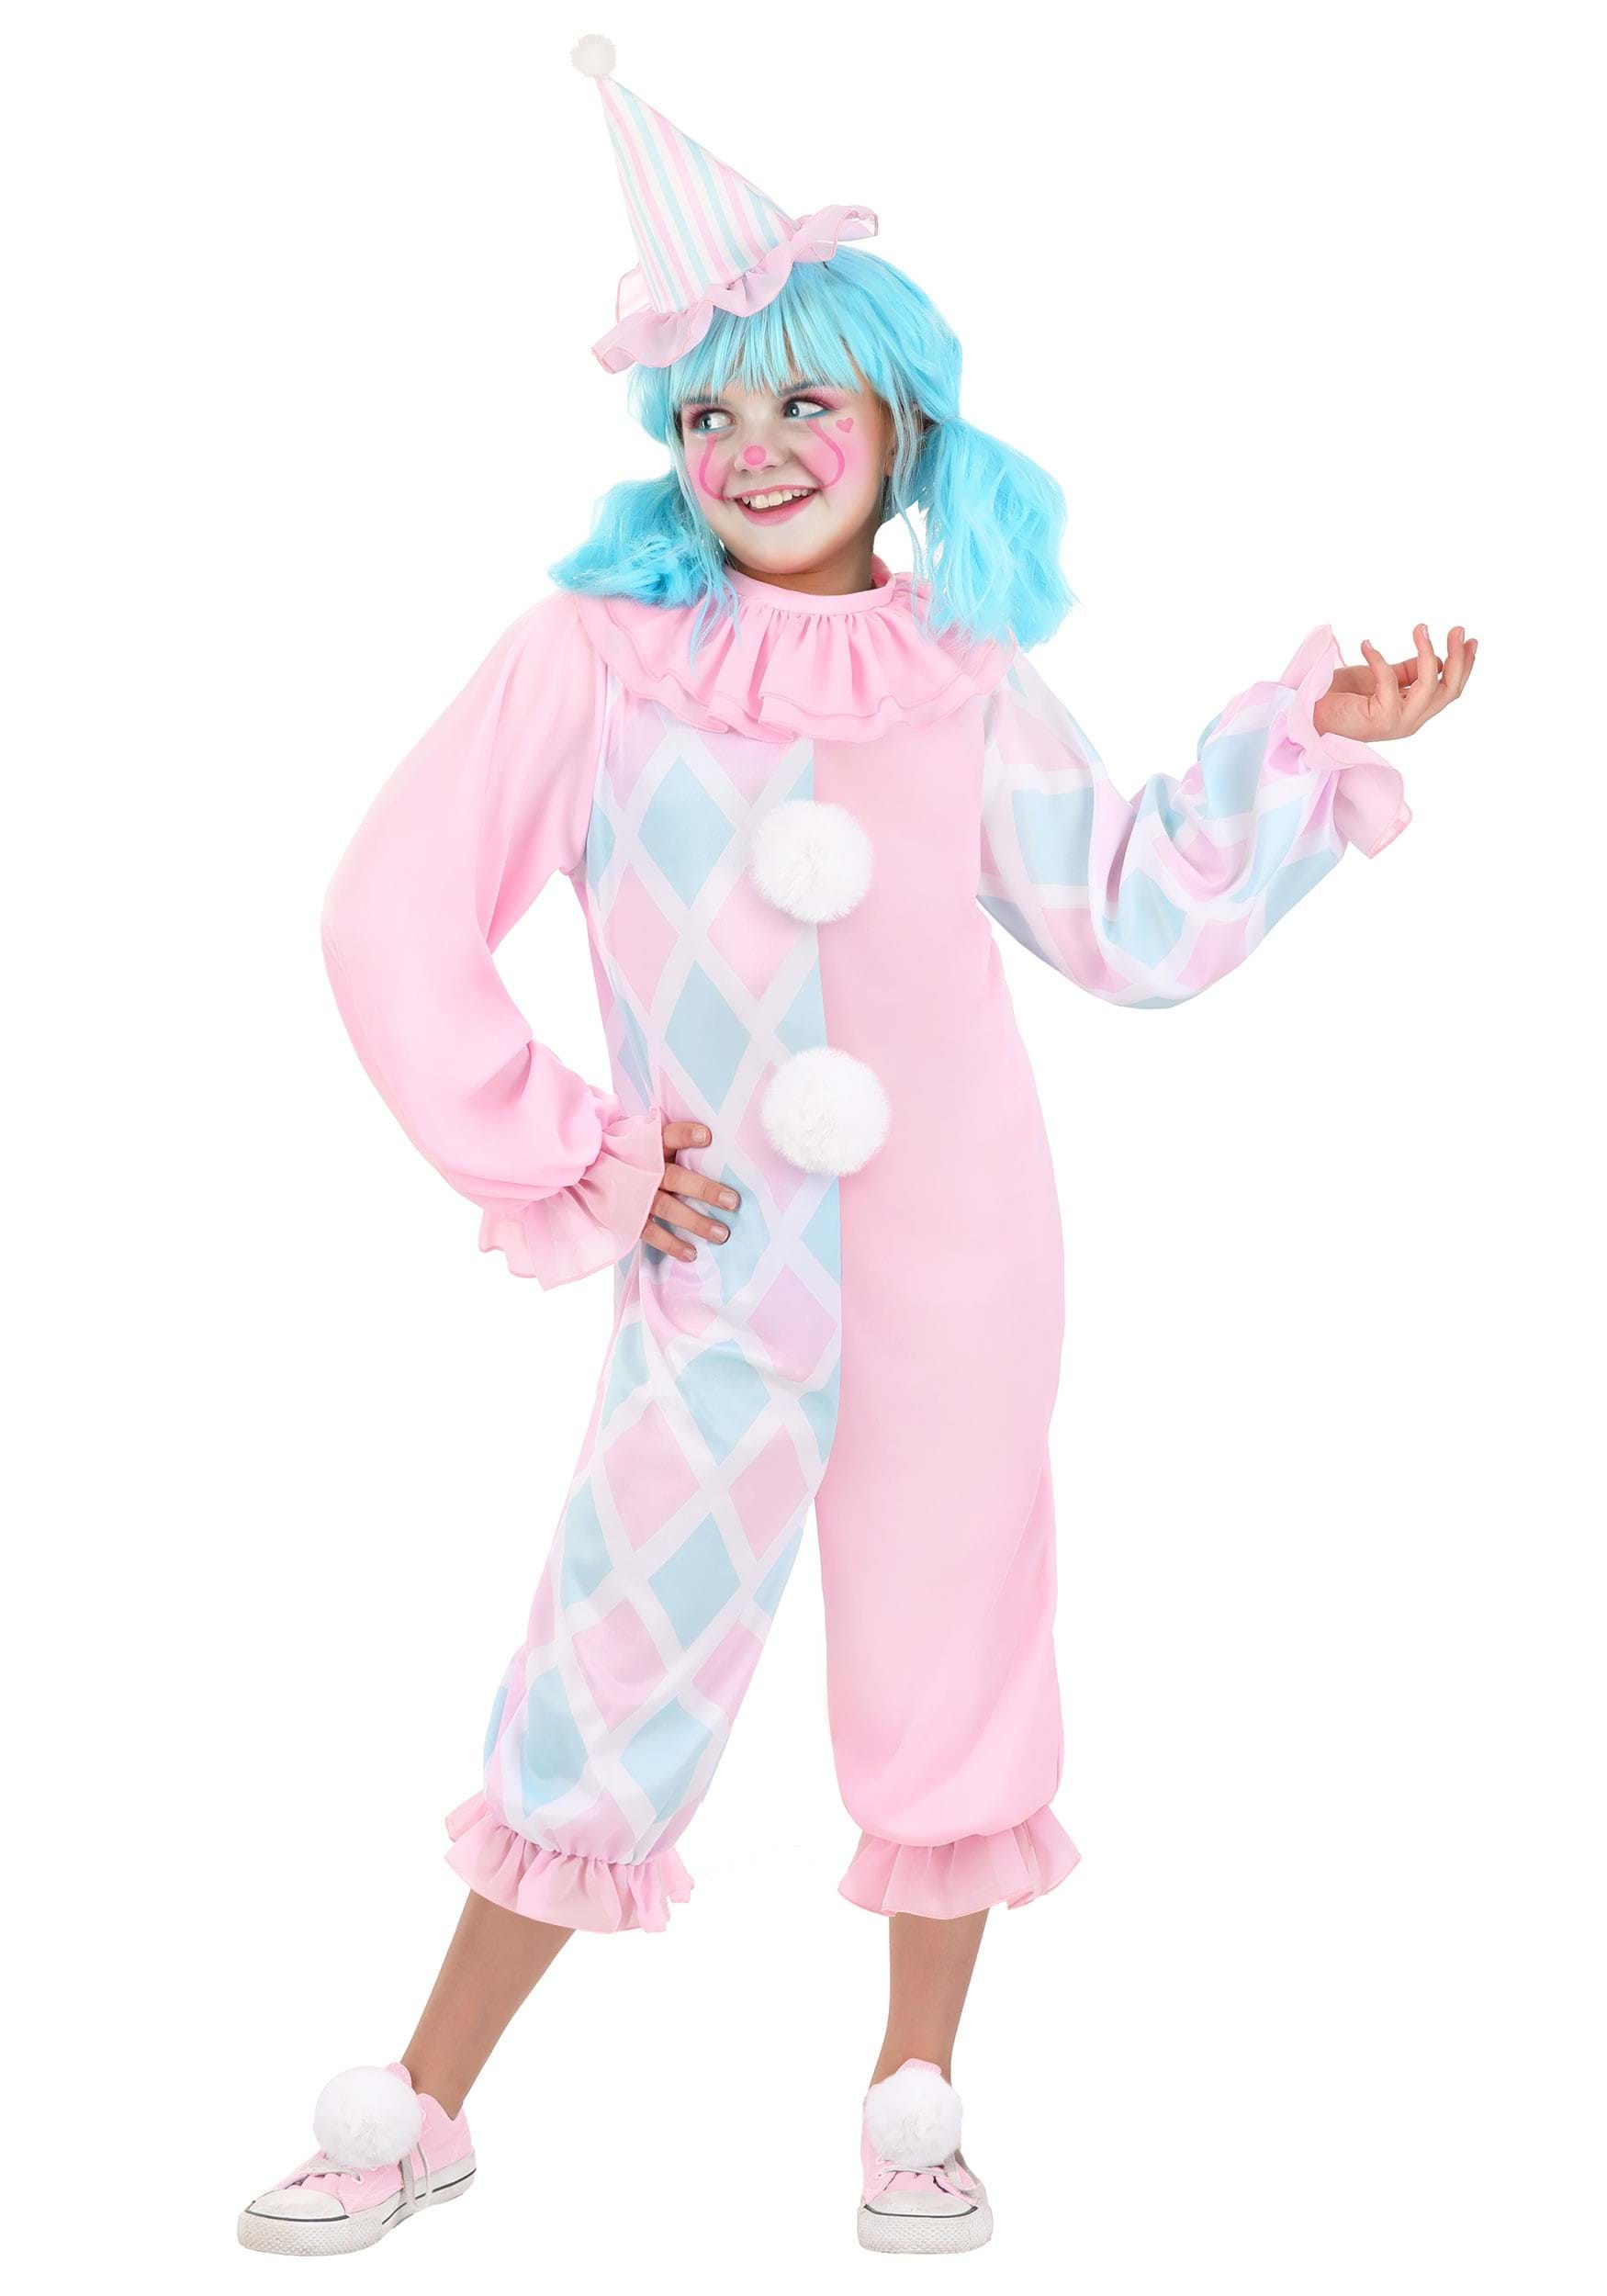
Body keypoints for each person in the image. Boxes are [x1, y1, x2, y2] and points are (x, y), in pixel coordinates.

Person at [237, 34, 1477, 2261]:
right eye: (707, 413)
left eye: (803, 402)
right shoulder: (595, 661)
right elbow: (385, 916)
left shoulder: (953, 673)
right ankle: (421, 2103)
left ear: (899, 425)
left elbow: (1123, 914)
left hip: (958, 1264)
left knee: (951, 1660)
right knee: (608, 1659)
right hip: (718, 1273)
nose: (753, 449)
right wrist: (577, 1148)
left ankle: (913, 2099)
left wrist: (1297, 750)